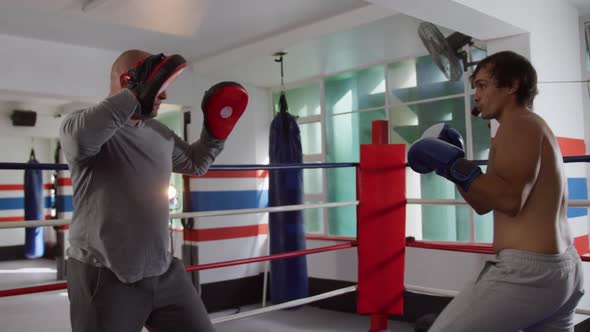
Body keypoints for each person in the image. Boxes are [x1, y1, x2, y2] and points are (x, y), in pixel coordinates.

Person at [59, 49, 248, 332]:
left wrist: (215, 133)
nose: (165, 97)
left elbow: (196, 163)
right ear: (129, 80)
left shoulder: (159, 133)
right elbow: (80, 139)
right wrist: (134, 95)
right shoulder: (80, 125)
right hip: (105, 273)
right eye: (160, 87)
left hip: (163, 270)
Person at [407, 50, 584, 331]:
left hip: (529, 273)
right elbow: (485, 203)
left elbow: (510, 199)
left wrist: (455, 164)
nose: (476, 95)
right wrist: (453, 168)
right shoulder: (525, 128)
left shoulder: (519, 124)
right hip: (560, 270)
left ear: (512, 84)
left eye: (482, 85)